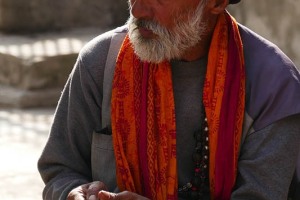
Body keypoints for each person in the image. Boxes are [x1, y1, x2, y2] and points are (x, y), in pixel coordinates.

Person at [38, 0, 300, 199]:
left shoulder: (273, 85)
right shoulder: (101, 63)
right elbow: (60, 169)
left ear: (217, 3)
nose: (138, 10)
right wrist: (74, 193)